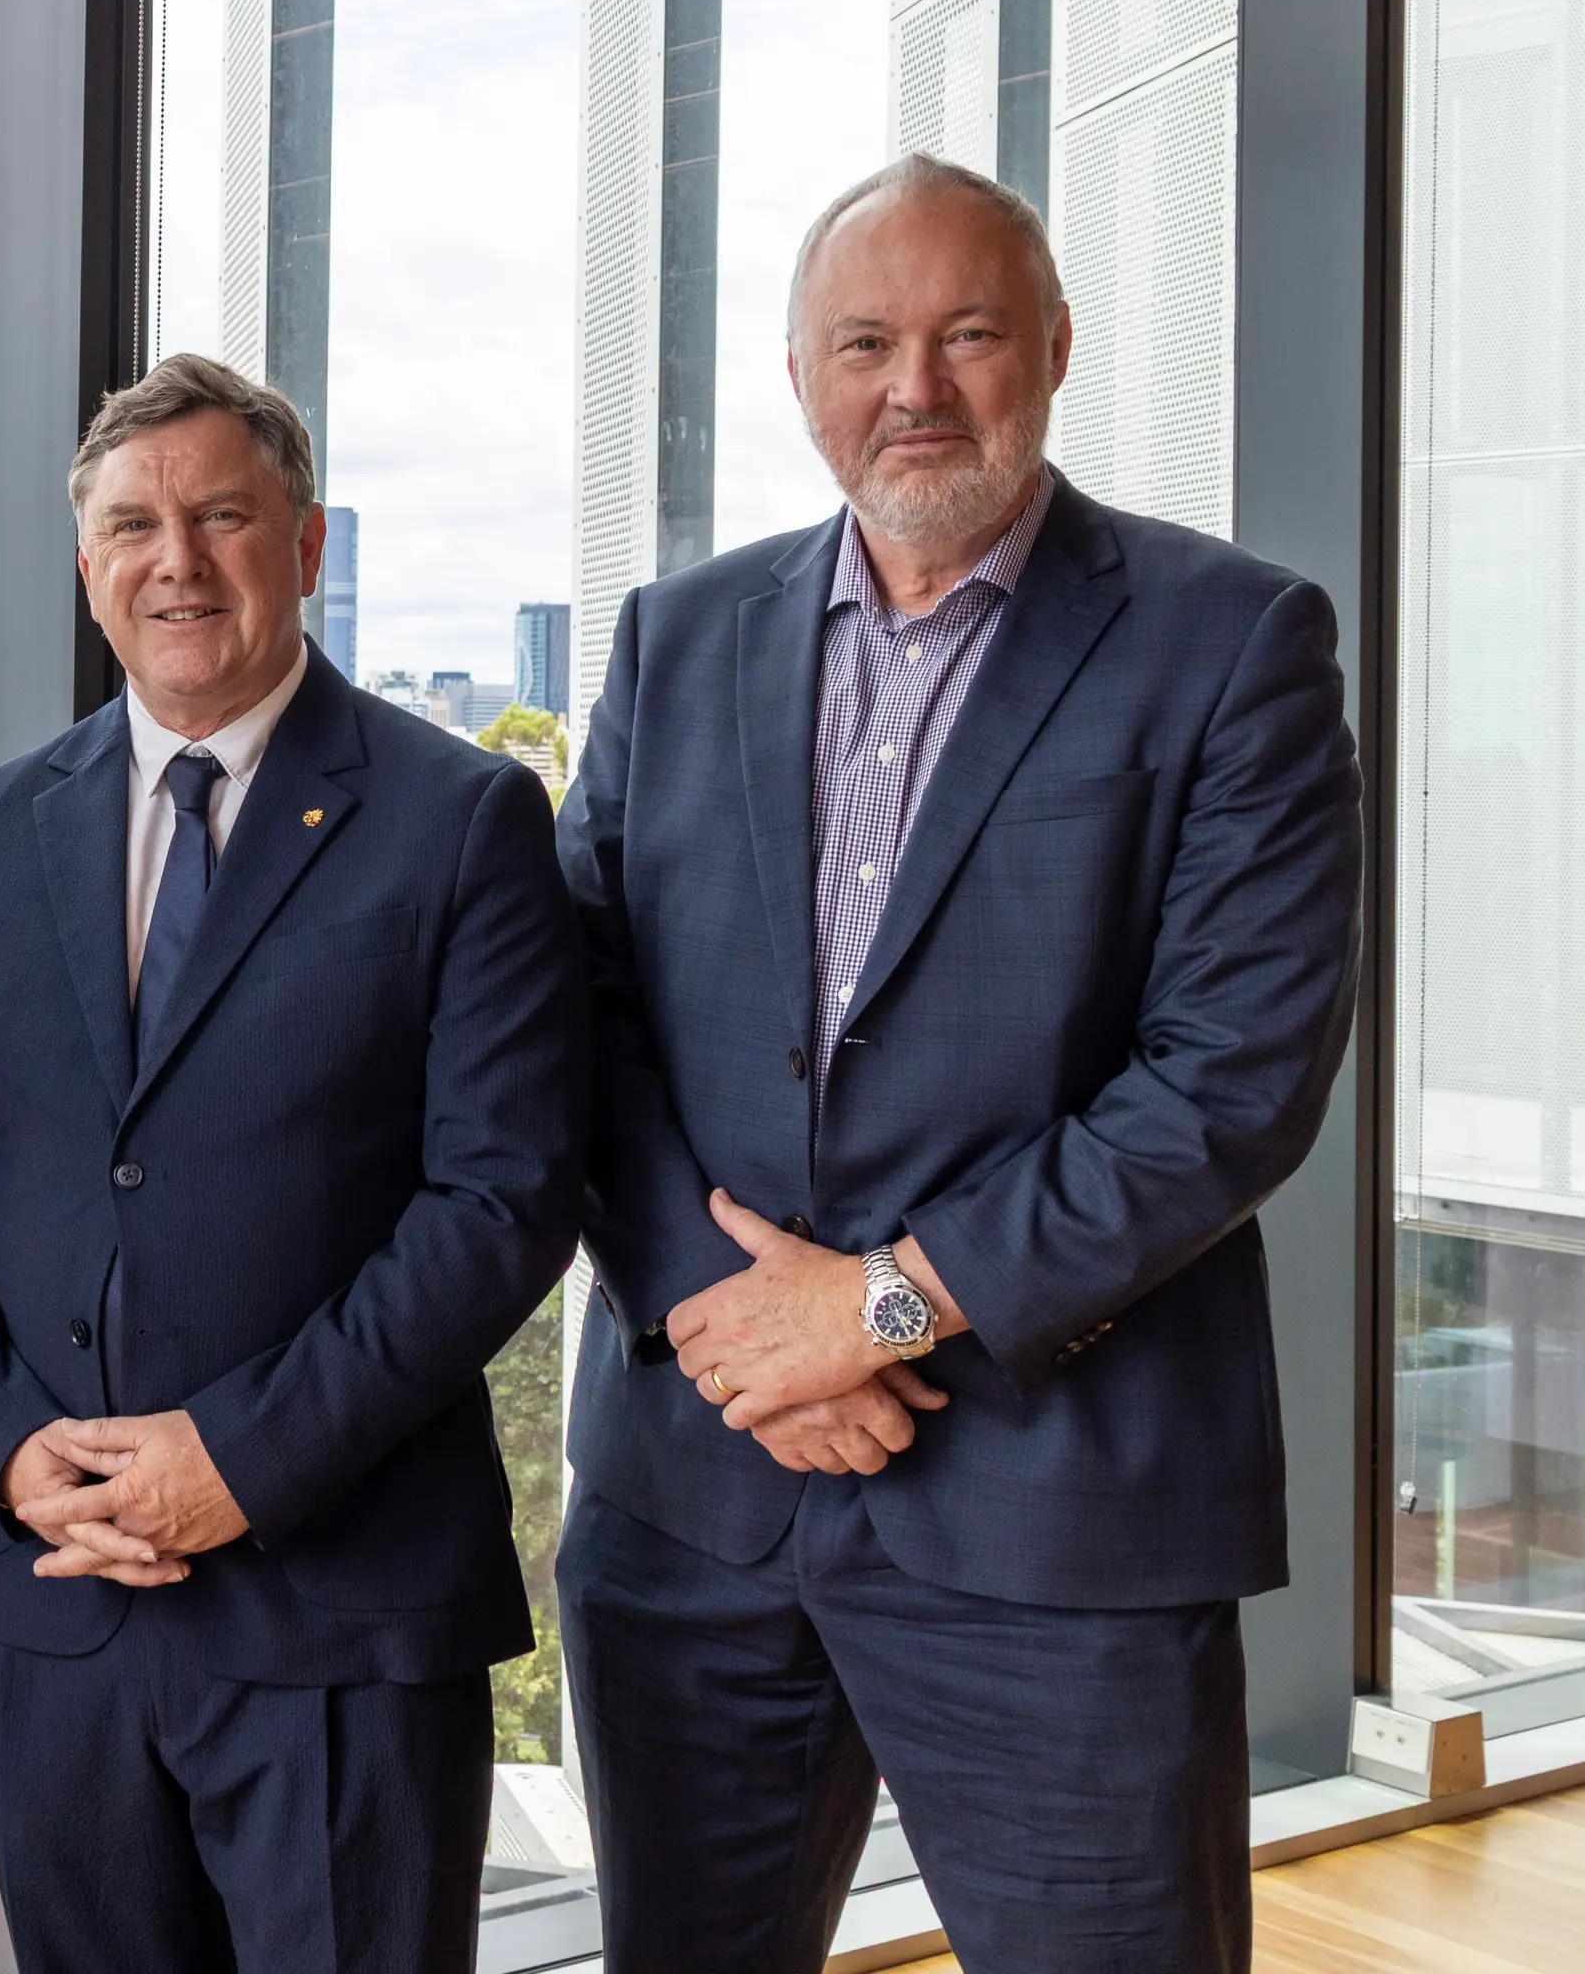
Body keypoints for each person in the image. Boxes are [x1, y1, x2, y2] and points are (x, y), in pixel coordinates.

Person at [553, 153, 1365, 1973]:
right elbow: (576, 1014)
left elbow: (1234, 1077)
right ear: (800, 376)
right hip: (698, 1505)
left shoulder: (1234, 642)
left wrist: (889, 1309)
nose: (912, 386)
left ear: (1056, 349)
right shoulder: (675, 640)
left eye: (967, 332)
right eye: (863, 341)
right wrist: (718, 1313)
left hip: (1059, 1518)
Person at [0, 355, 589, 1974]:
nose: (174, 560)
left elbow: (502, 1200)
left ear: (309, 544)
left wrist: (239, 1461)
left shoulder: (459, 816)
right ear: (88, 567)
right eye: (132, 524)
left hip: (340, 1602)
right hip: (56, 1598)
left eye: (221, 516)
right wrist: (9, 1445)